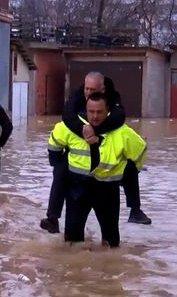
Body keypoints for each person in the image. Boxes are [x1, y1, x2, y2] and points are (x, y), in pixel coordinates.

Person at [40, 72, 151, 234]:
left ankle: (135, 209)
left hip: (106, 164)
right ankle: (52, 217)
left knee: (130, 165)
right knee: (60, 170)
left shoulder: (113, 98)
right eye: (87, 88)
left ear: (103, 89)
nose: (89, 92)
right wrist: (82, 129)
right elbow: (67, 116)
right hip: (77, 152)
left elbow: (119, 117)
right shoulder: (77, 97)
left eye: (93, 89)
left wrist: (96, 130)